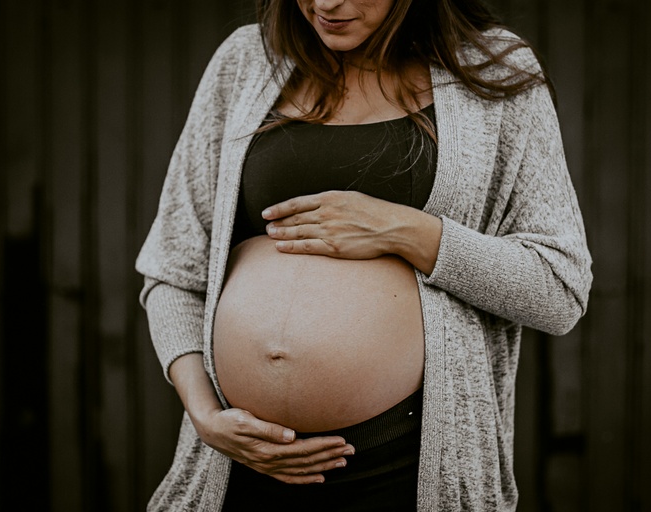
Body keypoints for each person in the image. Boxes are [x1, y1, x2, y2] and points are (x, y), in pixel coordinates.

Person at [136, 0, 593, 510]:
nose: (327, 3)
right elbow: (174, 269)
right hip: (237, 466)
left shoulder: (495, 70)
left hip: (404, 469)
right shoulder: (248, 59)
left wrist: (404, 230)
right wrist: (206, 417)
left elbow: (559, 289)